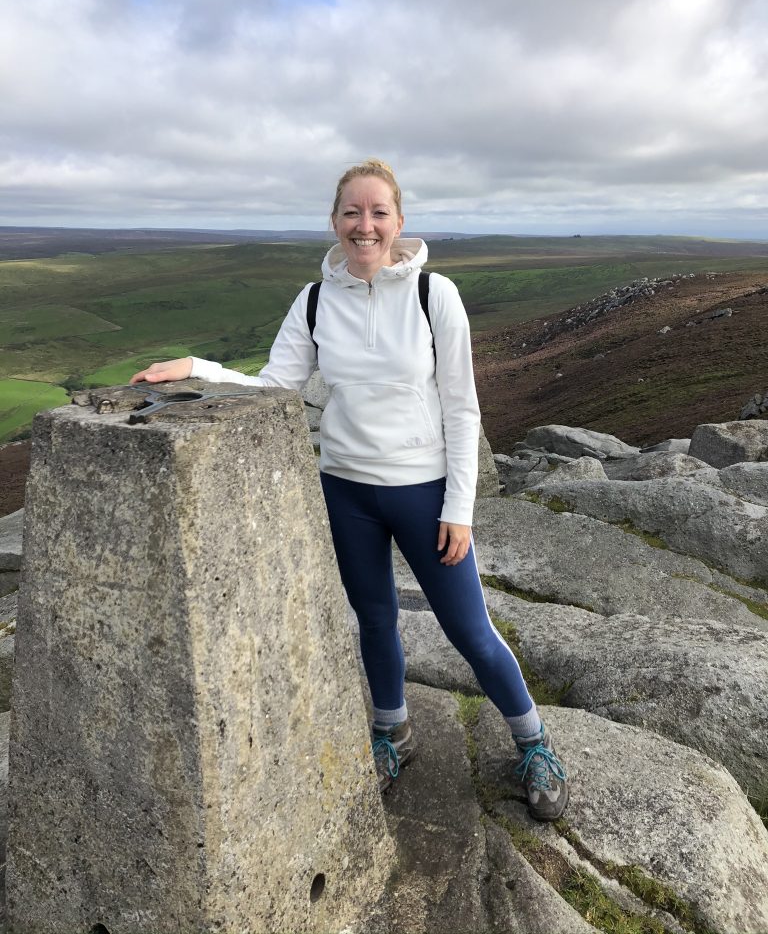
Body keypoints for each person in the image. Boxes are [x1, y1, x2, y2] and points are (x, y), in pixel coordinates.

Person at [130, 158, 569, 821]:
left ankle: (534, 743)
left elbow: (463, 408)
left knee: (468, 629)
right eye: (352, 213)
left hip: (422, 492)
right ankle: (393, 731)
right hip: (346, 491)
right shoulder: (312, 301)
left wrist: (459, 508)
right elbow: (275, 388)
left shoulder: (434, 294)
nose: (365, 226)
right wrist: (198, 367)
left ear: (398, 222)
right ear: (335, 221)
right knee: (374, 619)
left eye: (378, 213)